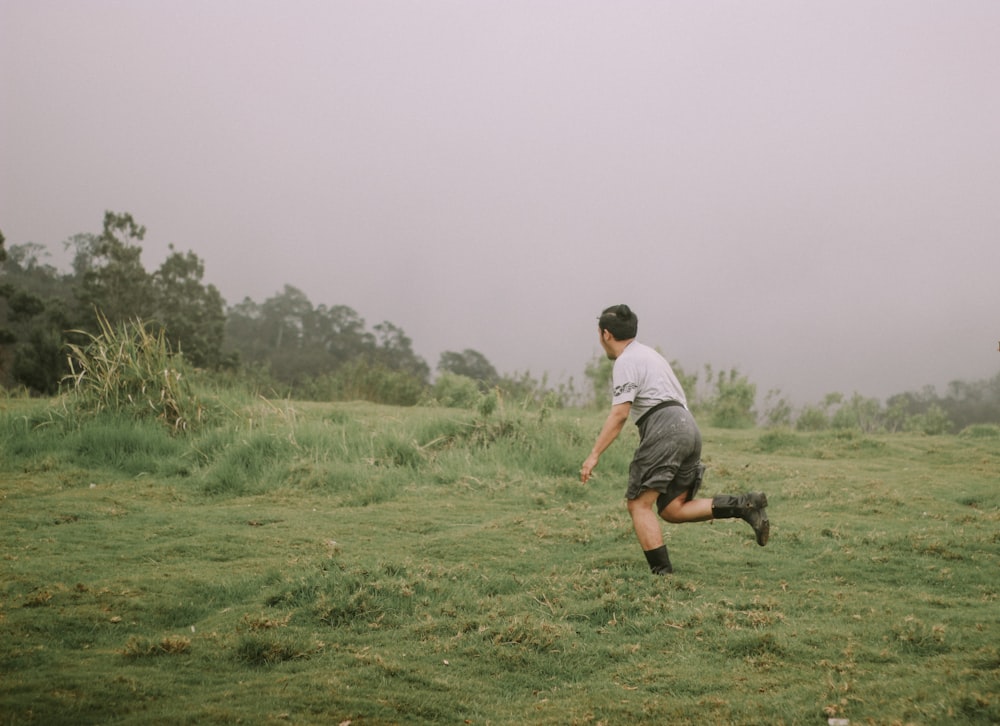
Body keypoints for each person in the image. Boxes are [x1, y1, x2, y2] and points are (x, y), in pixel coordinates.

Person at [580, 304, 769, 575]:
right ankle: (743, 505)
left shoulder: (625, 361)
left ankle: (662, 576)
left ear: (605, 335)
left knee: (638, 504)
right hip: (688, 426)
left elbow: (620, 414)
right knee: (671, 509)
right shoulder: (650, 355)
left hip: (664, 428)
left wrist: (594, 454)